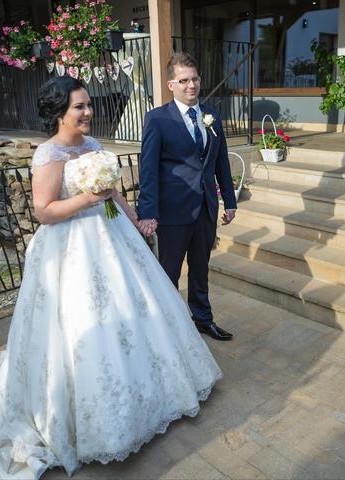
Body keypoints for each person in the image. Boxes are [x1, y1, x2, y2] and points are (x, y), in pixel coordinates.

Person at [0, 76, 222, 479]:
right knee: (85, 322)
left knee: (134, 311)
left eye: (88, 104)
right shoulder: (48, 154)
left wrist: (136, 220)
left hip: (113, 237)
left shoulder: (93, 145)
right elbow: (44, 211)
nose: (88, 112)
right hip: (71, 248)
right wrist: (87, 198)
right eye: (79, 107)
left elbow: (113, 192)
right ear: (59, 113)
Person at [137, 52, 237, 341]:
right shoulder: (157, 119)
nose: (191, 85)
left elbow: (221, 162)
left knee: (200, 269)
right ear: (171, 85)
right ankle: (168, 328)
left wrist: (229, 201)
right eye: (183, 81)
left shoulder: (212, 116)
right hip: (173, 211)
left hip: (205, 208)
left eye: (195, 79)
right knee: (169, 273)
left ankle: (203, 319)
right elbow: (148, 169)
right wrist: (147, 212)